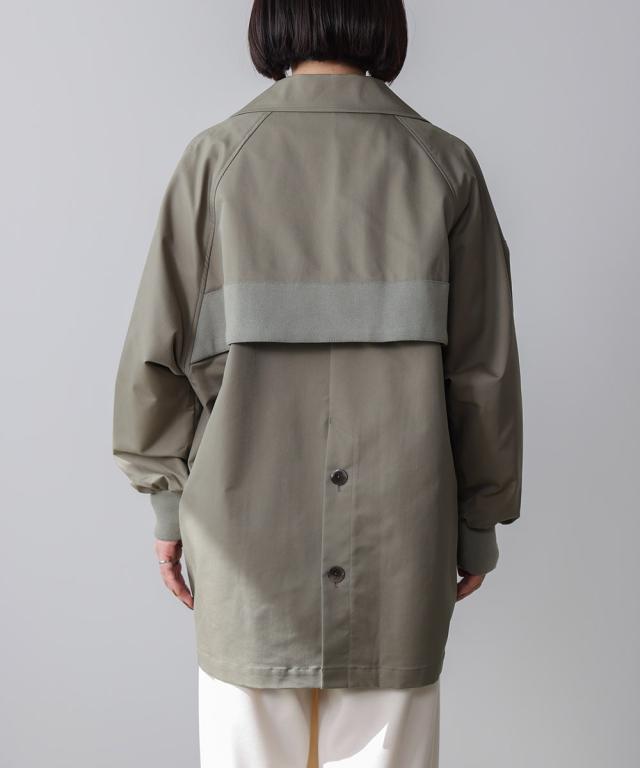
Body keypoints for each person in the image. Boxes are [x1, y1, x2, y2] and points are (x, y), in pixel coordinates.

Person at [112, 0, 523, 765]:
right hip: (401, 555)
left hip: (244, 558)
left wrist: (167, 507)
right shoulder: (445, 166)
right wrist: (479, 523)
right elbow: (483, 373)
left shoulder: (216, 161)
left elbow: (154, 359)